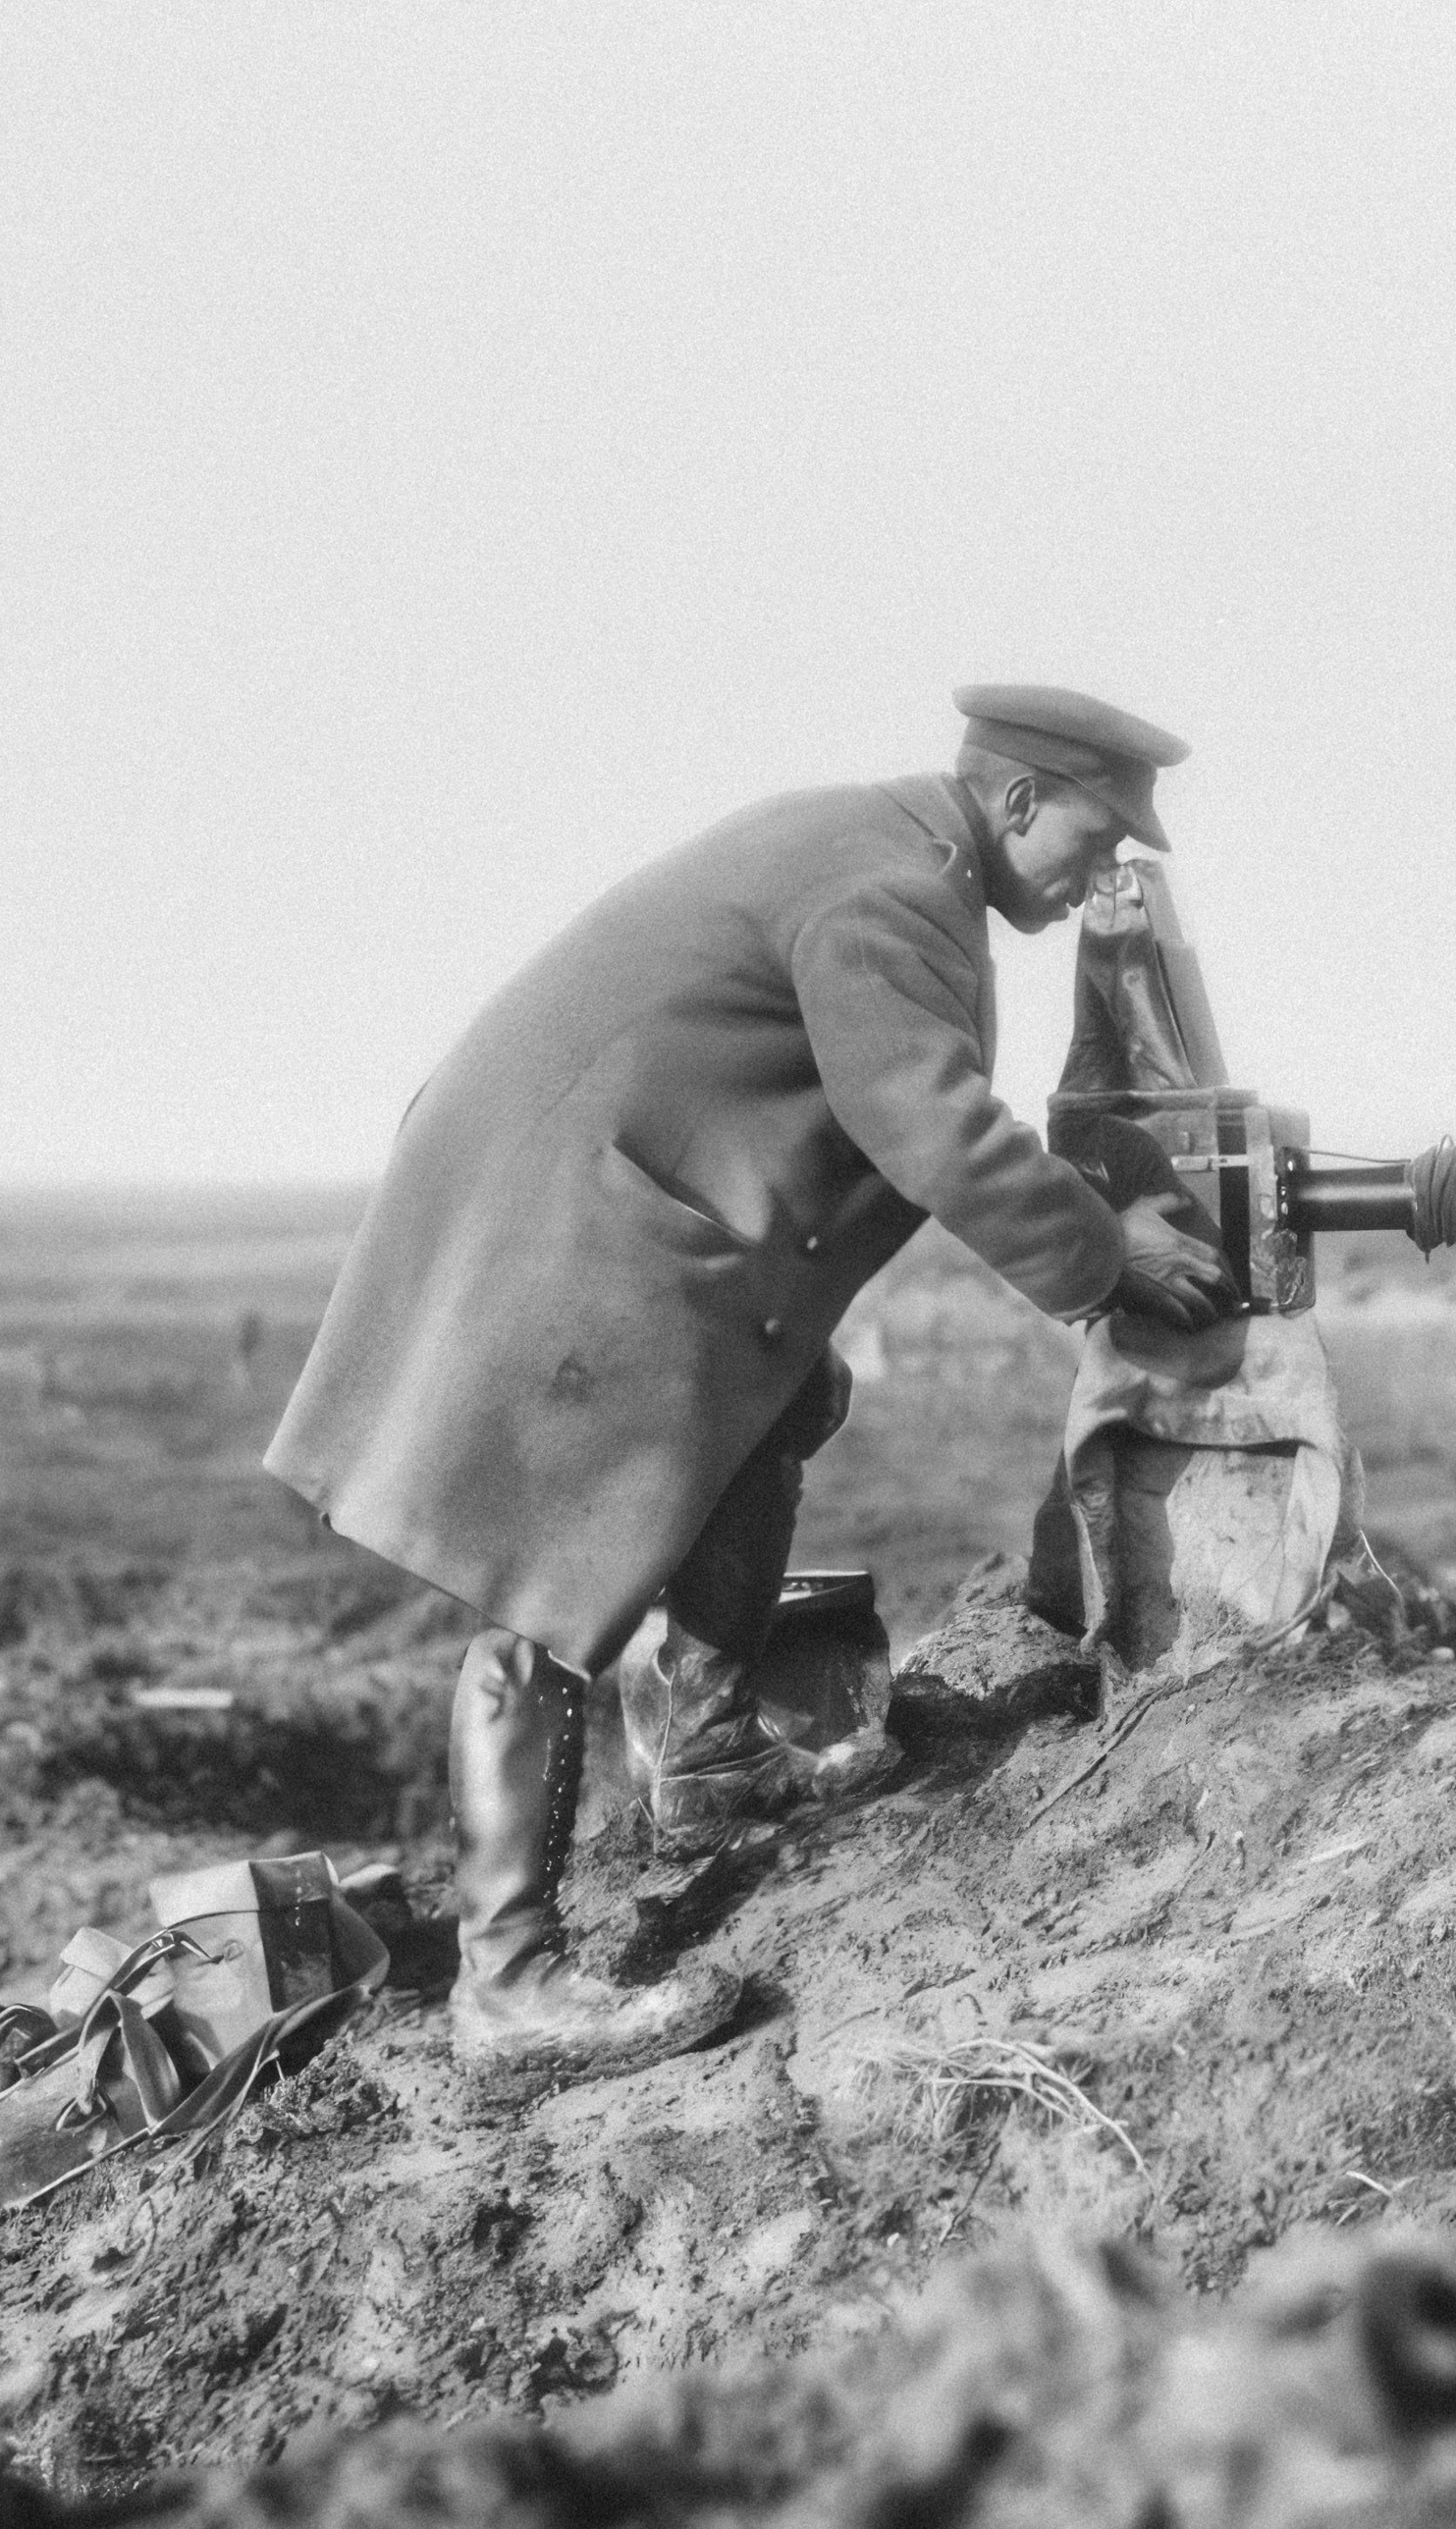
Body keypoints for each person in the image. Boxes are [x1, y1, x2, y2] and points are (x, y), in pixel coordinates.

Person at [267, 686, 1236, 2078]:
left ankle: (710, 1760)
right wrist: (1103, 1256)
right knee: (542, 1582)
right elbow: (925, 1119)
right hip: (569, 1216)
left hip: (609, 1191)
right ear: (1019, 801)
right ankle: (513, 1988)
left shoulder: (896, 857)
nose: (1104, 875)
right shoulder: (889, 891)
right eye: (1095, 838)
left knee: (780, 1400)